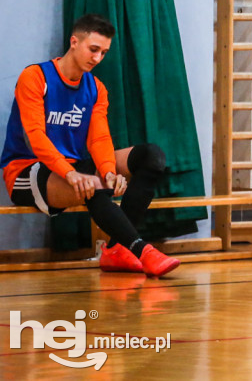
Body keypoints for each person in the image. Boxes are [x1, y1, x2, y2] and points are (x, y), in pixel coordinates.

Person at [1, 14, 179, 277]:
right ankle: (141, 250)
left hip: (72, 168)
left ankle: (118, 250)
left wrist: (108, 170)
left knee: (151, 156)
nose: (97, 58)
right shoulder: (36, 77)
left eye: (104, 53)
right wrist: (71, 173)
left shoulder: (96, 88)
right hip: (27, 171)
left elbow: (99, 139)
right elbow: (36, 137)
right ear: (74, 42)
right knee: (92, 185)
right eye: (93, 49)